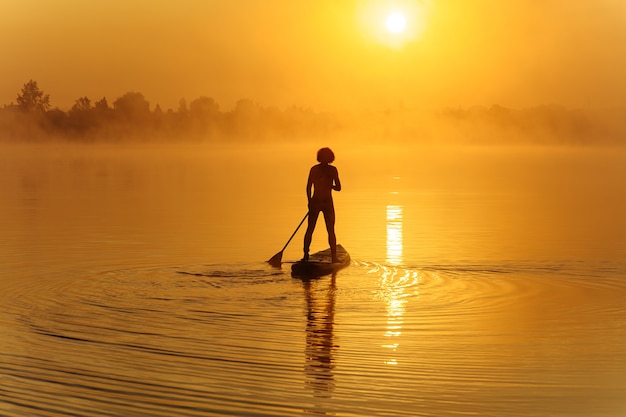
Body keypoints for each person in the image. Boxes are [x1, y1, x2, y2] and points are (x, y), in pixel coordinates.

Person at [303, 147, 342, 262]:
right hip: (318, 202)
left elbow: (339, 187)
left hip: (324, 203)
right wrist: (309, 202)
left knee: (329, 230)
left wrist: (330, 186)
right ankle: (306, 255)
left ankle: (333, 257)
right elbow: (308, 186)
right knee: (311, 229)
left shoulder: (330, 170)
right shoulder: (320, 169)